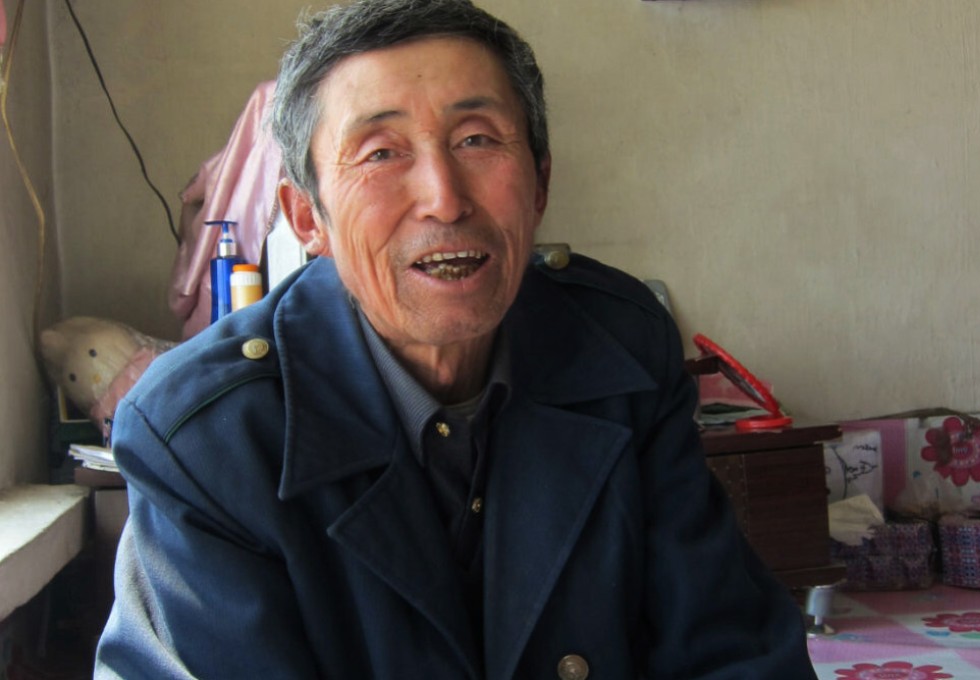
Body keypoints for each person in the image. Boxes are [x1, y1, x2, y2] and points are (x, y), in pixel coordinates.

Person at [95, 0, 817, 677]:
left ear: (539, 184)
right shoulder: (205, 437)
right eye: (380, 153)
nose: (444, 196)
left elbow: (730, 646)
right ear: (307, 219)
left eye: (477, 140)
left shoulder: (618, 348)